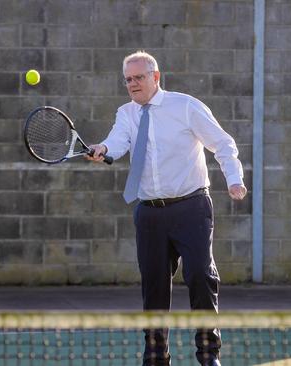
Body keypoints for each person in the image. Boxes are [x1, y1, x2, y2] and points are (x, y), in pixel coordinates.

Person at [86, 51, 247, 366]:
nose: (133, 84)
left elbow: (223, 143)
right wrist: (102, 149)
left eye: (139, 77)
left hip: (191, 207)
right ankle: (157, 355)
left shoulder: (185, 106)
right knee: (154, 286)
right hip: (149, 214)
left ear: (155, 77)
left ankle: (208, 354)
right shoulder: (127, 113)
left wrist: (234, 179)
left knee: (200, 275)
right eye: (128, 79)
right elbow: (116, 142)